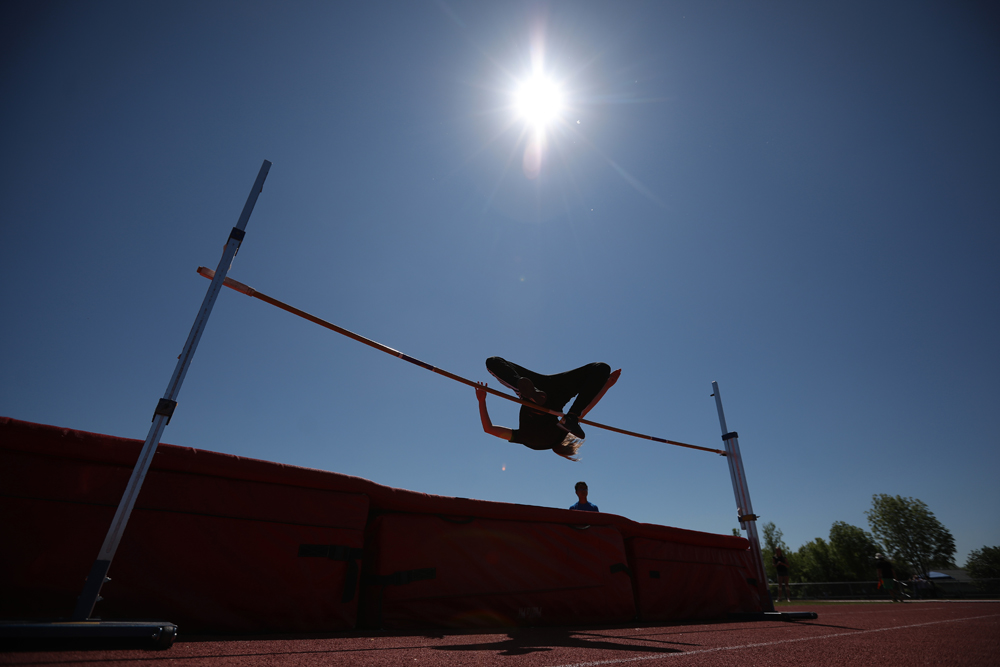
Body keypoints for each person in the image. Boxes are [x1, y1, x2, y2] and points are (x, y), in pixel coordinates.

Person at [475, 357, 613, 461]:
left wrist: (606, 385)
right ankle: (525, 391)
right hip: (553, 393)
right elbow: (489, 429)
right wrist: (482, 401)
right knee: (493, 363)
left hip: (545, 392)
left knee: (601, 368)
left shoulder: (557, 436)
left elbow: (585, 411)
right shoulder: (526, 438)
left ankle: (525, 391)